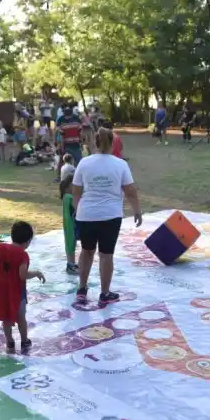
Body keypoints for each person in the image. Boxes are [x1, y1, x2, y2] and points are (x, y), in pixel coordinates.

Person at [73, 127, 143, 304]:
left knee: (86, 251)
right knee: (106, 255)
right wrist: (137, 211)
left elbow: (76, 189)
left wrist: (77, 208)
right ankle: (104, 293)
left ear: (95, 143)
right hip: (110, 216)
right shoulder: (120, 164)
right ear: (112, 143)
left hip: (86, 215)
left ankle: (82, 289)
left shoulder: (84, 163)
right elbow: (130, 191)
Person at [0, 221, 45, 353]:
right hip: (16, 292)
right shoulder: (23, 255)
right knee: (21, 317)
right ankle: (24, 341)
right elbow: (22, 275)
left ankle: (10, 342)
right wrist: (36, 273)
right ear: (27, 242)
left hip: (1, 291)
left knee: (5, 318)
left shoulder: (1, 248)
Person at [60, 176, 79, 274]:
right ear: (68, 186)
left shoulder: (66, 197)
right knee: (71, 245)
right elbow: (77, 205)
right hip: (71, 224)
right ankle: (70, 265)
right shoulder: (69, 197)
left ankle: (72, 263)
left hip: (68, 223)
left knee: (70, 244)